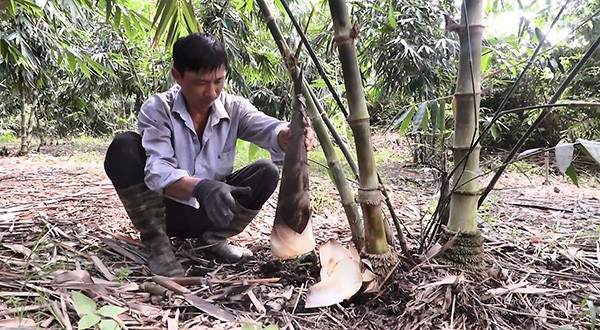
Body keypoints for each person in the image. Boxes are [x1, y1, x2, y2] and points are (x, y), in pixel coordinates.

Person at [103, 32, 318, 277]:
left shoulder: (233, 108)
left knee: (265, 172)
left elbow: (267, 127)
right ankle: (158, 244)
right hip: (164, 210)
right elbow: (157, 170)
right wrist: (201, 187)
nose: (212, 92)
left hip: (214, 211)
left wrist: (287, 135)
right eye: (201, 82)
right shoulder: (158, 110)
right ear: (177, 77)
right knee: (124, 147)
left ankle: (214, 239)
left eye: (218, 81)